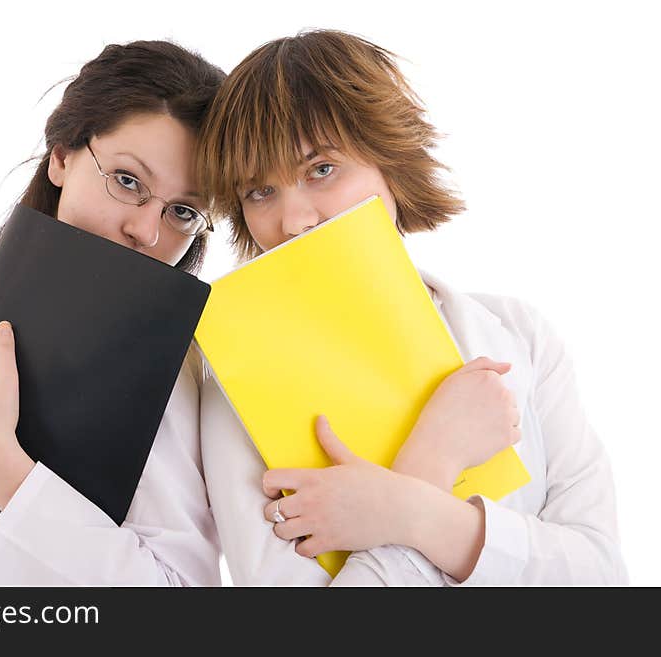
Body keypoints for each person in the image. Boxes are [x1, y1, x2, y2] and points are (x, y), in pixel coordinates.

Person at [195, 29, 628, 585]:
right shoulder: (234, 389)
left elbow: (602, 576)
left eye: (321, 169)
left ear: (389, 163)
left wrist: (403, 512)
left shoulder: (520, 334)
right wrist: (432, 460)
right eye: (260, 191)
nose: (294, 221)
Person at [0, 40, 227, 586]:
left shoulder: (170, 371)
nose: (147, 231)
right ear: (61, 156)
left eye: (184, 211)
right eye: (127, 181)